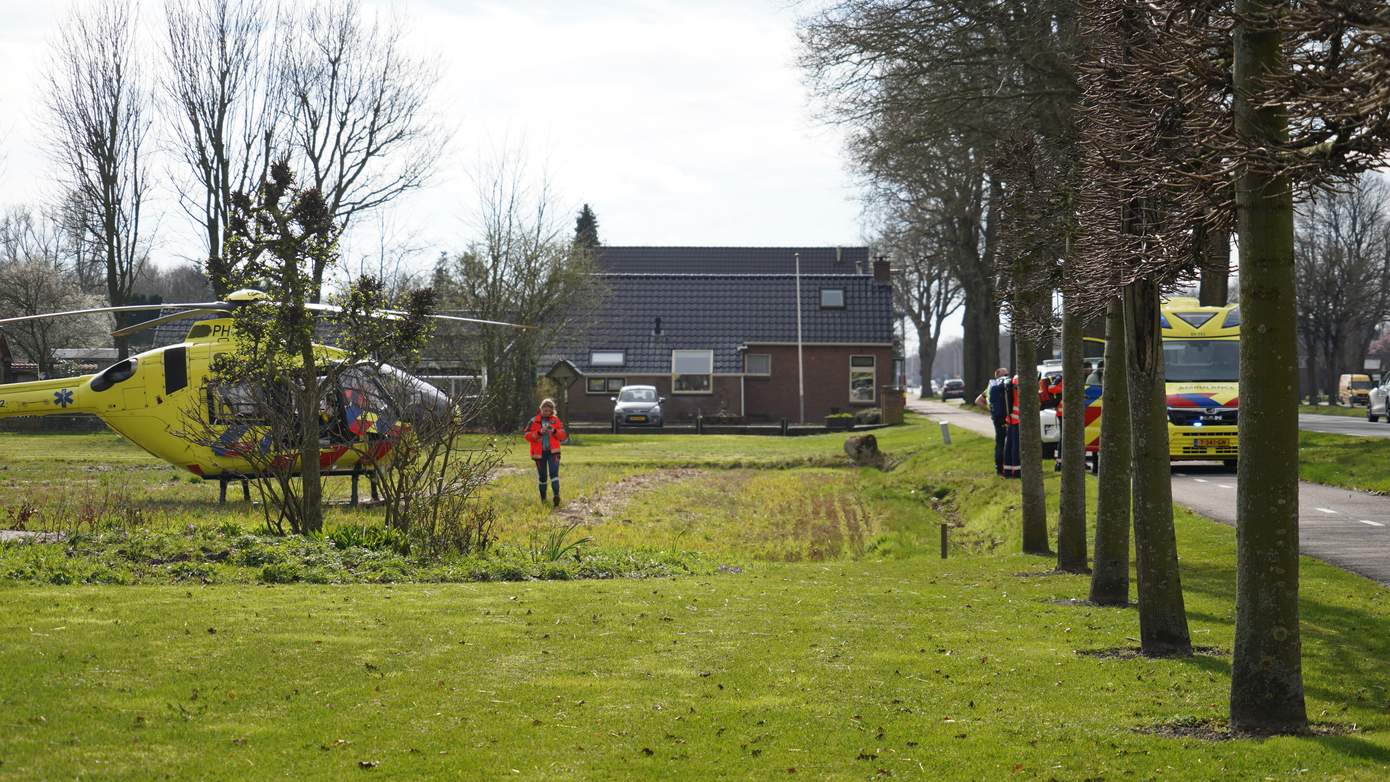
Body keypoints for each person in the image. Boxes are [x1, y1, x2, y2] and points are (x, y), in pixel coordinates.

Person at [524, 398, 568, 507]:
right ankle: (543, 500)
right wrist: (539, 432)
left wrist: (554, 431)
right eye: (545, 410)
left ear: (552, 410)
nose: (547, 412)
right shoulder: (533, 421)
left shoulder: (556, 421)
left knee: (554, 474)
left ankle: (556, 496)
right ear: (541, 409)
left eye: (549, 410)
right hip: (539, 454)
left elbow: (563, 436)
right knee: (542, 477)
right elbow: (526, 436)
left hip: (554, 453)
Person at [976, 367, 1010, 476]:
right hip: (1008, 418)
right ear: (998, 375)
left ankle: (999, 468)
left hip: (997, 418)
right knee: (1009, 442)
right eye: (1005, 374)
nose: (1006, 376)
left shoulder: (991, 387)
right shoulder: (1006, 385)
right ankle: (1010, 467)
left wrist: (992, 410)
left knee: (999, 443)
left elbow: (978, 401)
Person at [1003, 374, 1022, 479]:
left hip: (1011, 418)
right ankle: (1017, 470)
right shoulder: (1019, 381)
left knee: (1009, 445)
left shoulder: (1013, 380)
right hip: (1017, 419)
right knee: (1016, 445)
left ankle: (1007, 470)